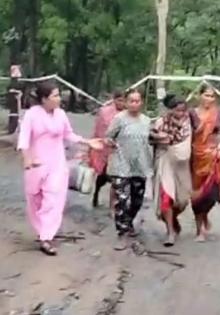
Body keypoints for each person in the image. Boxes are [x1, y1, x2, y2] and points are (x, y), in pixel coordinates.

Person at [17, 82, 102, 255]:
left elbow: (68, 134)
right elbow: (24, 139)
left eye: (58, 95)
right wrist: (27, 159)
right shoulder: (32, 115)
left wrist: (88, 142)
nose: (59, 98)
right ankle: (42, 229)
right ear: (44, 99)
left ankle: (46, 237)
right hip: (36, 163)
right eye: (55, 96)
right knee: (35, 199)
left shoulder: (61, 114)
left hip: (56, 163)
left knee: (54, 199)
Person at [105, 89, 153, 249]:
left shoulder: (146, 121)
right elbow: (108, 136)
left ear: (142, 103)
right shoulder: (119, 119)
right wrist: (109, 142)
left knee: (137, 200)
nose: (134, 104)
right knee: (122, 200)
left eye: (137, 101)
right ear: (126, 103)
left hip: (140, 165)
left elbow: (150, 139)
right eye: (131, 101)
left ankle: (129, 221)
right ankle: (122, 232)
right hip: (121, 164)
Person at [149, 93, 192, 247]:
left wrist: (163, 138)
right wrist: (160, 138)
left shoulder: (187, 124)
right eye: (177, 110)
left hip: (181, 165)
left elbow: (182, 144)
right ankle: (170, 232)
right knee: (166, 197)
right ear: (171, 109)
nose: (180, 114)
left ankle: (173, 220)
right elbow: (151, 138)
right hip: (164, 162)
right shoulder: (161, 121)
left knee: (182, 200)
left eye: (183, 111)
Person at [190, 85, 220, 242]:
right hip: (196, 158)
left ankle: (205, 215)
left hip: (214, 158)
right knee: (196, 195)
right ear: (200, 95)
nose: (210, 99)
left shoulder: (218, 113)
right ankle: (199, 231)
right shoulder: (192, 114)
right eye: (207, 95)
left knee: (212, 194)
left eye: (212, 96)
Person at [89, 90, 125, 208]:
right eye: (120, 100)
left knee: (119, 179)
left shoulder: (128, 113)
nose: (122, 103)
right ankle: (96, 194)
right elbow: (98, 130)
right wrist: (93, 147)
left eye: (124, 100)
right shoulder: (104, 112)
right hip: (105, 150)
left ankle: (114, 204)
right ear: (114, 100)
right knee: (103, 176)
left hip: (121, 151)